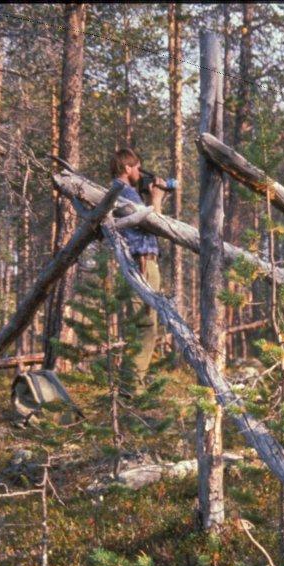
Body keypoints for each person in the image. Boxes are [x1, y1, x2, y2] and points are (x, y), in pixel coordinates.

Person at [110, 148, 168, 398]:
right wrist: (156, 198)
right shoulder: (123, 191)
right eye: (137, 168)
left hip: (142, 262)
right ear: (127, 168)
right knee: (145, 326)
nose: (139, 173)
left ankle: (131, 385)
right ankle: (132, 389)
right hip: (142, 263)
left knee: (142, 325)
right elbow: (153, 223)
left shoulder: (126, 193)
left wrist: (151, 198)